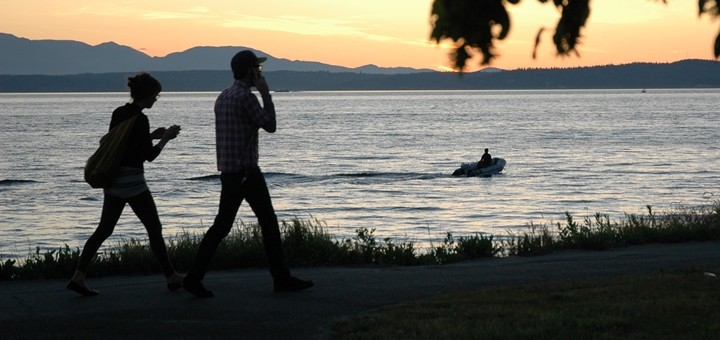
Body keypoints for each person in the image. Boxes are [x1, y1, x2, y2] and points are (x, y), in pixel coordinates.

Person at [182, 50, 313, 297]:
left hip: (229, 173)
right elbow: (270, 125)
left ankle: (193, 277)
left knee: (221, 226)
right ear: (250, 71)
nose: (261, 73)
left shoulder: (223, 96)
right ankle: (281, 279)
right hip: (247, 173)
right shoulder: (246, 98)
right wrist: (266, 94)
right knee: (269, 224)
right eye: (258, 69)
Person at [67, 73, 183, 296]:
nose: (156, 99)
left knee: (104, 229)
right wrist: (166, 138)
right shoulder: (141, 119)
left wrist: (149, 136)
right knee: (154, 229)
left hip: (113, 180)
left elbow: (122, 144)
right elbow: (148, 156)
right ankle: (171, 277)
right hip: (133, 183)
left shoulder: (119, 113)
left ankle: (79, 276)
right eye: (156, 95)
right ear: (147, 95)